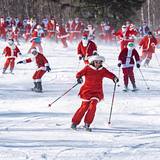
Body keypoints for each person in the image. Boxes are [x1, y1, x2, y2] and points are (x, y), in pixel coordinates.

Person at [71, 55, 119, 131]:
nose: (98, 64)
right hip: (86, 91)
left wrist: (114, 78)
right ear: (93, 62)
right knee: (84, 107)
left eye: (100, 62)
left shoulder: (102, 70)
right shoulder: (87, 68)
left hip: (97, 92)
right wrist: (79, 78)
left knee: (93, 106)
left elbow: (110, 74)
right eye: (96, 62)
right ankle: (75, 122)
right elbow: (79, 74)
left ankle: (87, 123)